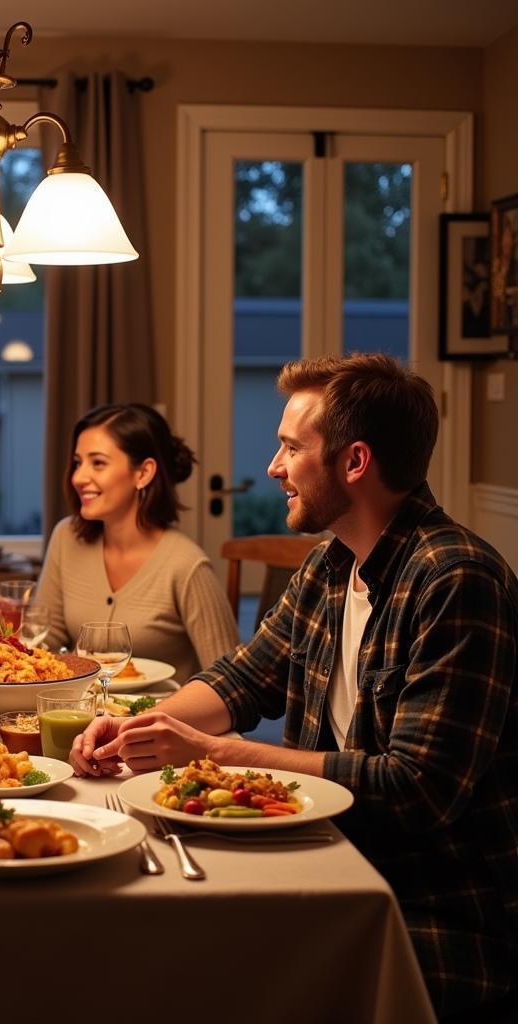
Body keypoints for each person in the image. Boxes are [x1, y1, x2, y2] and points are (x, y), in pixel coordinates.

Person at [72, 355, 517, 1022]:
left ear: (354, 462)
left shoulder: (455, 579)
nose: (275, 467)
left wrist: (218, 755)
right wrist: (139, 726)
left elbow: (415, 789)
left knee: (203, 975)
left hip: (431, 906)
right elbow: (243, 680)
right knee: (145, 939)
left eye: (289, 447)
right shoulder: (331, 567)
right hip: (330, 859)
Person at [33, 403, 239, 680]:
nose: (78, 477)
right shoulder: (66, 539)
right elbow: (46, 638)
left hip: (161, 718)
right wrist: (15, 636)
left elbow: (231, 683)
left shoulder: (187, 566)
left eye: (98, 463)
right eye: (78, 462)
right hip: (82, 717)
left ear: (143, 473)